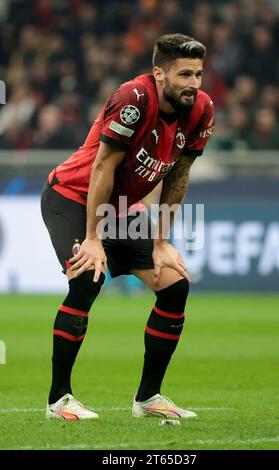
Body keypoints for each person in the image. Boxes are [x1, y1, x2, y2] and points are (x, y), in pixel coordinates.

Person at [41, 33, 214, 420]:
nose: (194, 83)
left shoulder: (201, 108)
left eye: (199, 74)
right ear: (158, 73)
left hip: (122, 208)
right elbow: (103, 168)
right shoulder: (133, 99)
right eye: (184, 74)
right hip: (72, 196)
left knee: (175, 284)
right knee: (87, 278)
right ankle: (58, 400)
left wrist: (161, 241)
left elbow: (179, 174)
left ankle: (148, 398)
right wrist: (92, 237)